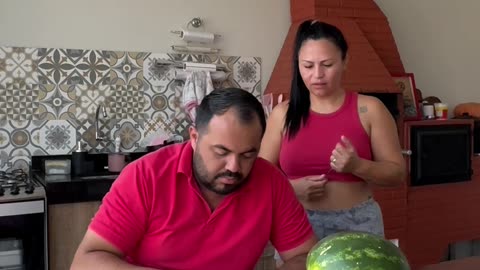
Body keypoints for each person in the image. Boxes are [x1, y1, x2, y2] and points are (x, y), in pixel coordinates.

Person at [70, 88, 318, 270]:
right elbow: (85, 262)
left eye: (247, 154)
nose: (234, 167)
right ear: (194, 137)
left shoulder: (272, 183)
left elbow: (304, 257)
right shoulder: (144, 176)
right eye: (221, 152)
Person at [259, 20, 406, 259]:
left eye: (327, 64)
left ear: (345, 60)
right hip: (296, 225)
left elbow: (397, 174)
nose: (317, 75)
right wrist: (292, 188)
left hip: (358, 224)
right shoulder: (282, 115)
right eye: (307, 66)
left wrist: (358, 166)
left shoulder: (370, 109)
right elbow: (260, 178)